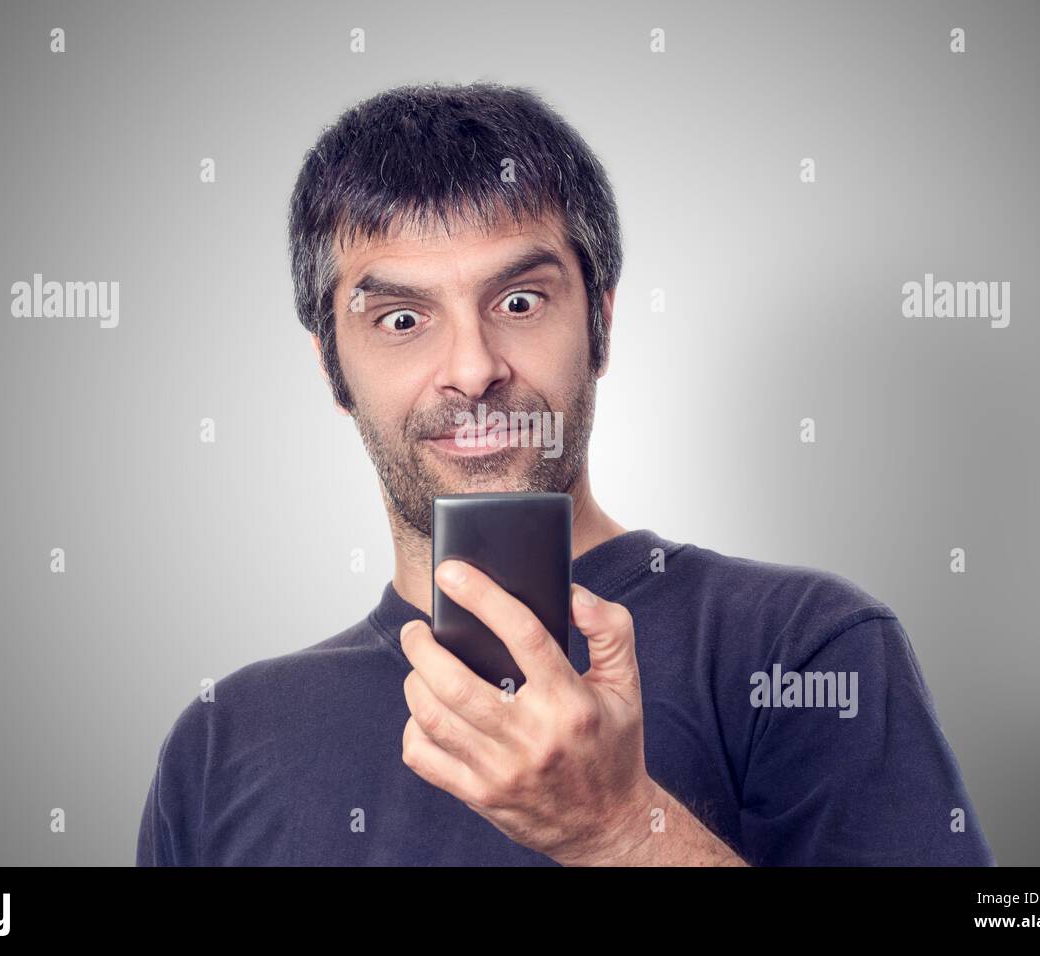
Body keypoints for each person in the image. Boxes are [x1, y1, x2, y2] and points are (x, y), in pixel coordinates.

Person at [136, 81, 995, 866]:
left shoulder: (803, 647)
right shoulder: (223, 744)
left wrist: (621, 830)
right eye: (401, 318)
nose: (472, 369)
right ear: (331, 367)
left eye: (519, 302)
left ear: (602, 325)